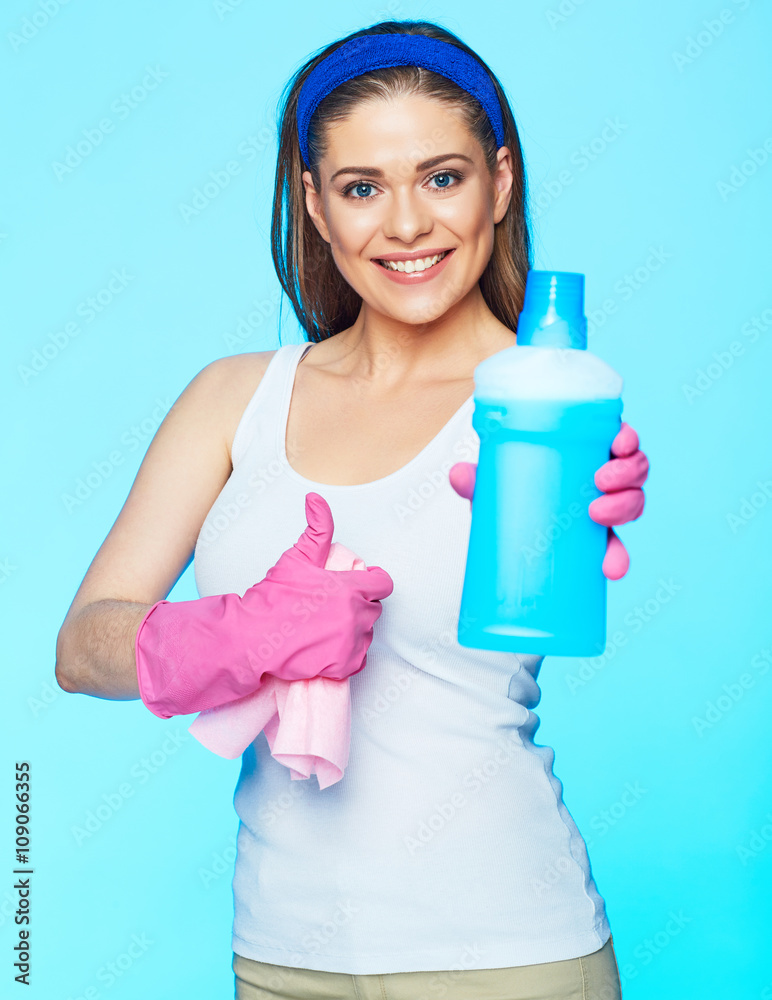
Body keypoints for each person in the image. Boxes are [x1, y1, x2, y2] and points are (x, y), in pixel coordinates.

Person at [55, 19, 649, 1000]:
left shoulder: (545, 408)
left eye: (443, 177)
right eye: (362, 187)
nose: (407, 224)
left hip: (508, 954)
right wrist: (239, 633)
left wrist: (587, 493)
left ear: (499, 183)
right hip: (284, 957)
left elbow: (574, 552)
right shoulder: (233, 398)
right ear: (315, 204)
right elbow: (83, 647)